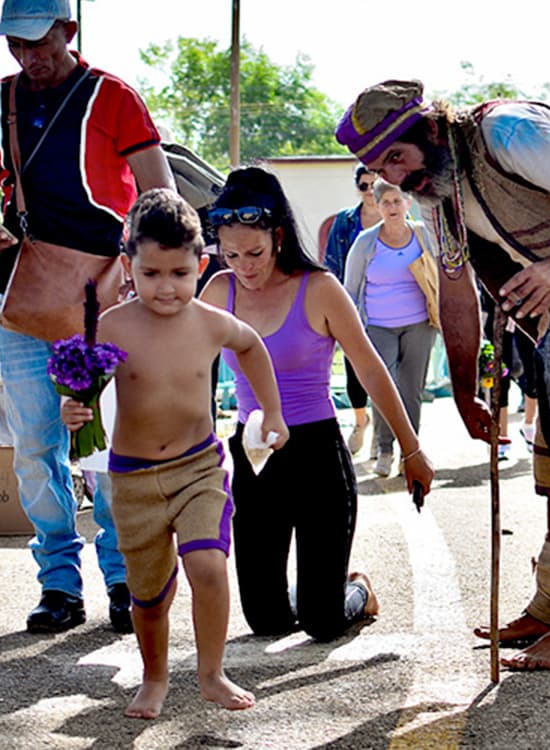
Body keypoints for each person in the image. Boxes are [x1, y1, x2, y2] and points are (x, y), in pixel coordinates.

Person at [336, 80, 550, 670]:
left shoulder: (508, 132)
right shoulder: (434, 191)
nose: (394, 175)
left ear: (433, 128)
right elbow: (457, 290)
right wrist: (468, 388)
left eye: (397, 154)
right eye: (378, 167)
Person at [0, 0, 176, 635]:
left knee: (103, 444)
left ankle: (121, 578)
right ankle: (58, 583)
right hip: (26, 293)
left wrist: (152, 276)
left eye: (39, 42)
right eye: (17, 45)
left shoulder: (115, 98)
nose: (30, 56)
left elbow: (158, 197)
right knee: (35, 445)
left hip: (107, 296)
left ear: (67, 30)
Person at [61, 188, 285, 718]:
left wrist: (271, 413)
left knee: (207, 565)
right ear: (127, 267)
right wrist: (73, 411)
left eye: (180, 274)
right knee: (149, 595)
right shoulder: (111, 326)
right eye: (152, 274)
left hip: (198, 468)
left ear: (200, 265)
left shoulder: (209, 321)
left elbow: (251, 345)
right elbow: (81, 389)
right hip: (133, 479)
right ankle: (155, 676)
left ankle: (211, 674)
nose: (166, 287)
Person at [199, 166, 435, 642]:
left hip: (316, 456)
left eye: (255, 253)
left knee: (322, 622)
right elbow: (184, 367)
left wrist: (411, 450)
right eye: (231, 254)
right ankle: (312, 590)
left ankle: (352, 592)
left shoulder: (319, 287)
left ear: (279, 236)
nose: (243, 266)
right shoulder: (218, 291)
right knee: (266, 621)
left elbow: (371, 368)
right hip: (255, 454)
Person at [343, 179, 440, 476]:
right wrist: (350, 331)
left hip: (419, 325)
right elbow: (350, 288)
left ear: (408, 204)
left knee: (412, 391)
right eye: (386, 202)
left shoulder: (424, 236)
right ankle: (385, 448)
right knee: (383, 389)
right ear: (378, 205)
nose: (393, 207)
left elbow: (442, 277)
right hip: (378, 327)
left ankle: (410, 452)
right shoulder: (366, 242)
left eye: (398, 201)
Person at [322, 165, 383, 455]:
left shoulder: (397, 217)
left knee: (386, 371)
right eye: (364, 185)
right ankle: (361, 421)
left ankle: (382, 434)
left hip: (388, 308)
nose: (370, 191)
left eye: (374, 184)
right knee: (354, 370)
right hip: (353, 306)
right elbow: (332, 263)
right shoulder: (345, 222)